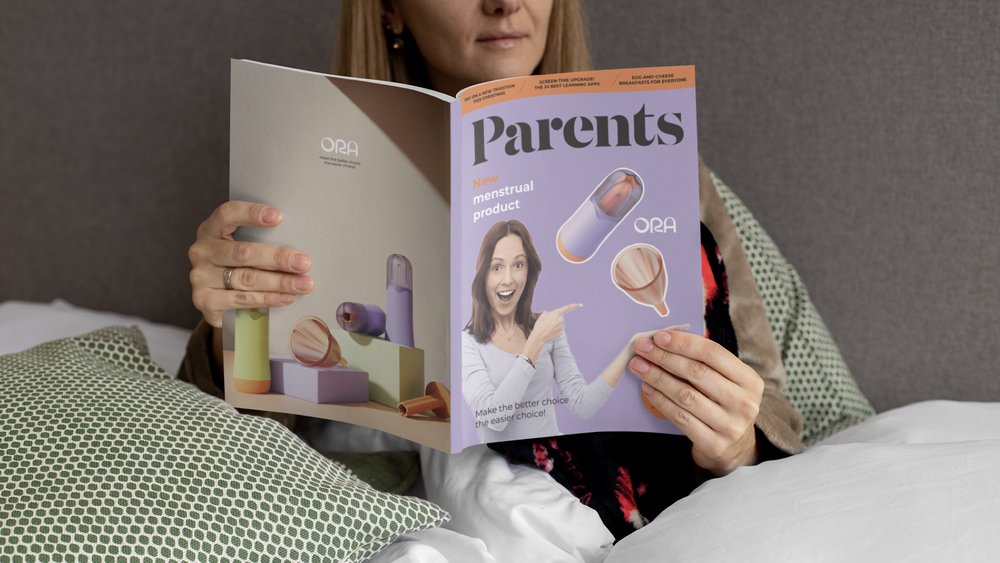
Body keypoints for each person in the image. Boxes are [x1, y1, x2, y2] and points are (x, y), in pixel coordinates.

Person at [181, 0, 804, 541]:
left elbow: (768, 401)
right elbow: (234, 446)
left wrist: (735, 444)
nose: (505, 3)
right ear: (390, 9)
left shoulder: (652, 164)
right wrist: (232, 327)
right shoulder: (307, 164)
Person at [463, 219, 651, 442]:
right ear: (483, 275)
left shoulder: (545, 326)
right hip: (503, 467)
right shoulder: (468, 342)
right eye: (497, 267)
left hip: (554, 461)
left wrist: (629, 350)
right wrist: (535, 342)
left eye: (518, 265)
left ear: (529, 271)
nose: (508, 279)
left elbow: (583, 405)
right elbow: (494, 418)